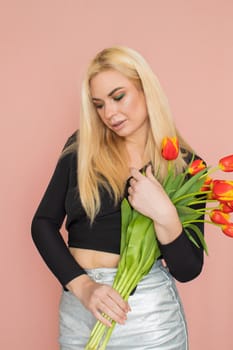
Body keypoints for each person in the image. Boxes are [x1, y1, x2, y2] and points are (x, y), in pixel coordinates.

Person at [31, 46, 204, 350]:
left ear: (145, 88)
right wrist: (82, 286)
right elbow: (43, 223)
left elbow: (188, 269)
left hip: (149, 316)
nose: (109, 113)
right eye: (98, 105)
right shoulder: (82, 148)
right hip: (81, 309)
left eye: (118, 96)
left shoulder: (187, 167)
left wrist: (164, 214)